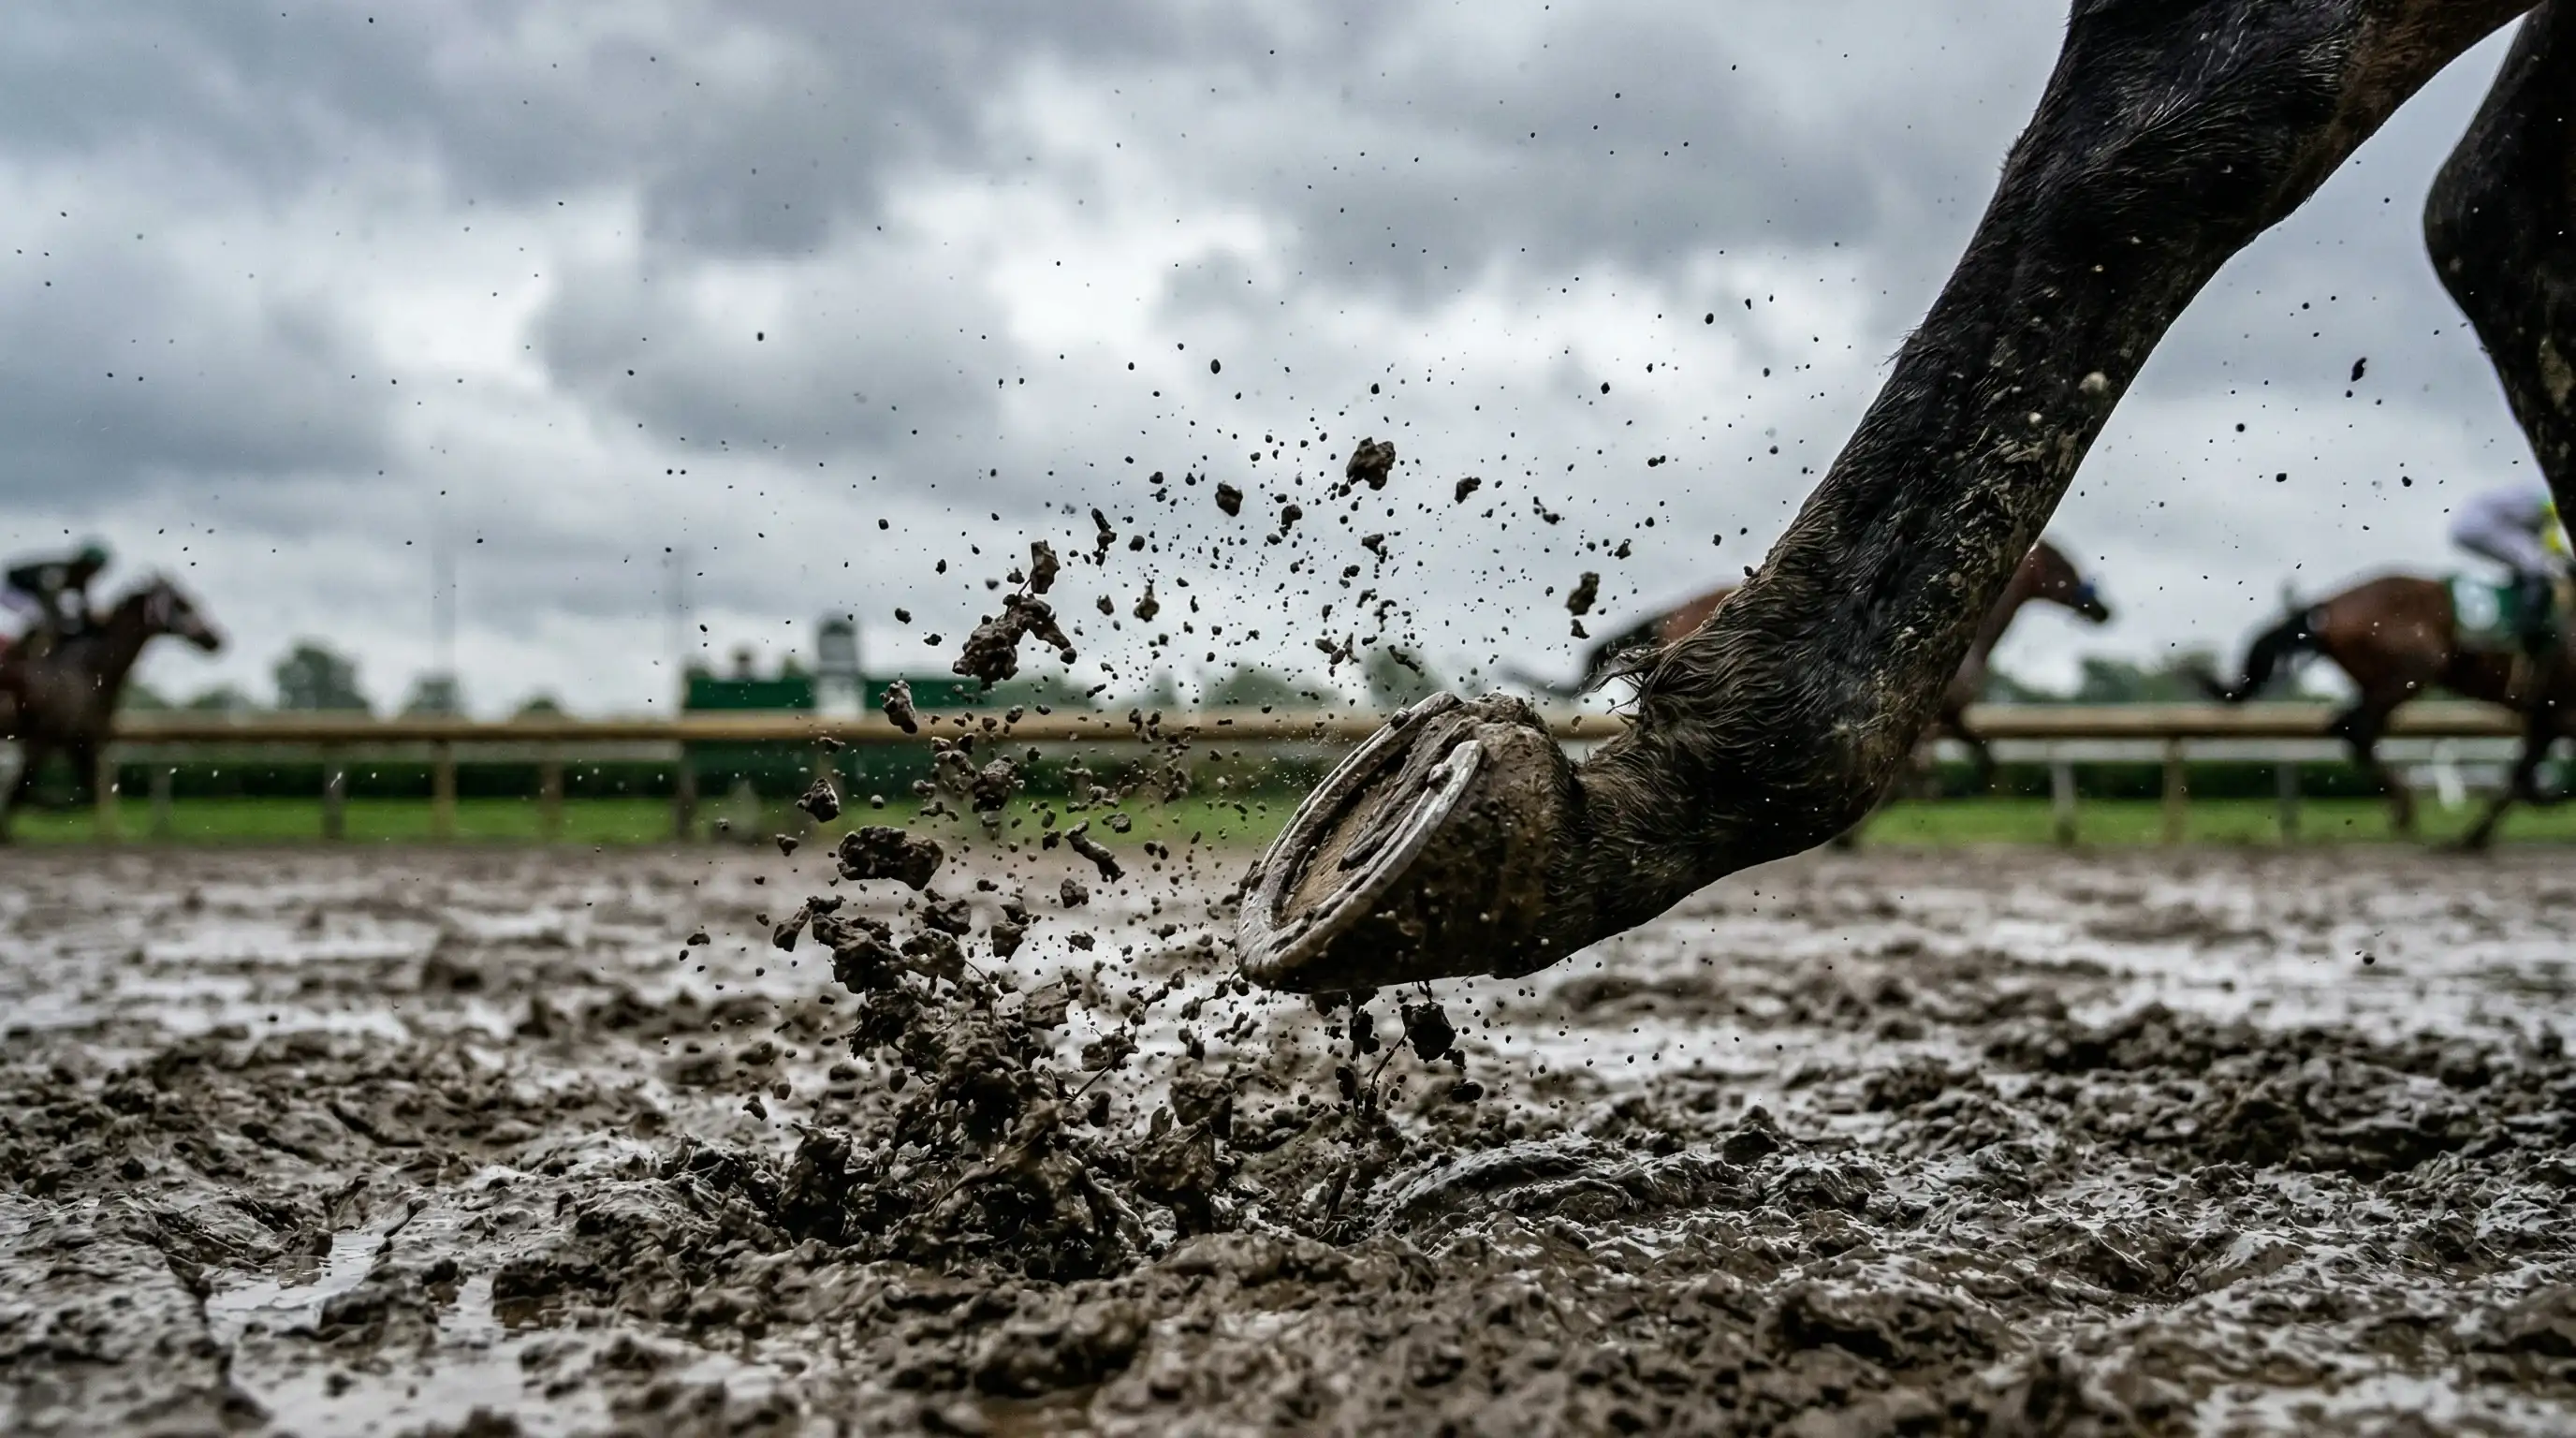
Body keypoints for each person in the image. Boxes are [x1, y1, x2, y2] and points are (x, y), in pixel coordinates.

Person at [2450, 482, 2569, 659]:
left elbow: (2547, 540)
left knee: (2526, 564)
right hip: (2481, 524)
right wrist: (2567, 562)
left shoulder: (2543, 489)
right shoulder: (2551, 496)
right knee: (2535, 565)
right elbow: (2551, 538)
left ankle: (2518, 615)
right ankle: (2529, 628)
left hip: (2469, 525)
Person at [1, 540, 110, 652]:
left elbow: (83, 603)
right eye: (91, 568)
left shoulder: (79, 577)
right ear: (83, 564)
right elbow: (48, 599)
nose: (92, 573)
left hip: (27, 593)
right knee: (38, 617)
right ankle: (14, 651)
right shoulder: (58, 572)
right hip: (11, 588)